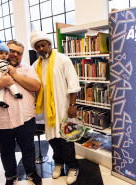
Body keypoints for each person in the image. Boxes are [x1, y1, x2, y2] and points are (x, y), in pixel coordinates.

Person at [0, 40, 42, 185]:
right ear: (3, 51)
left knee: (28, 148)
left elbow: (36, 86)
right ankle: (11, 176)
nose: (14, 54)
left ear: (21, 55)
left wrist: (14, 74)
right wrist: (1, 83)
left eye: (18, 53)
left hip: (25, 118)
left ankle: (31, 173)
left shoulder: (26, 68)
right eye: (11, 51)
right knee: (6, 151)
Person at [30, 30, 81, 185]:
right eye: (37, 47)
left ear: (50, 44)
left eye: (43, 45)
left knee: (67, 139)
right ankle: (58, 163)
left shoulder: (62, 59)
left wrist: (72, 105)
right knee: (52, 139)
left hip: (64, 107)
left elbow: (73, 84)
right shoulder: (35, 65)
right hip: (48, 112)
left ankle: (72, 167)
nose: (41, 48)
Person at [0, 39, 23, 108]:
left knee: (0, 90)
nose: (4, 55)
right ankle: (16, 93)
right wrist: (9, 69)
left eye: (6, 54)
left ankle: (0, 101)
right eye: (1, 53)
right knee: (9, 82)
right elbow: (4, 68)